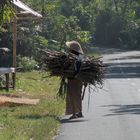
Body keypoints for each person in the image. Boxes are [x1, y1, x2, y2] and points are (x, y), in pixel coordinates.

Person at [65, 40, 84, 119]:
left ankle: (74, 114)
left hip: (72, 79)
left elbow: (69, 68)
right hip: (80, 79)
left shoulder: (71, 57)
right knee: (78, 95)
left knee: (72, 95)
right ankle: (80, 112)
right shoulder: (81, 57)